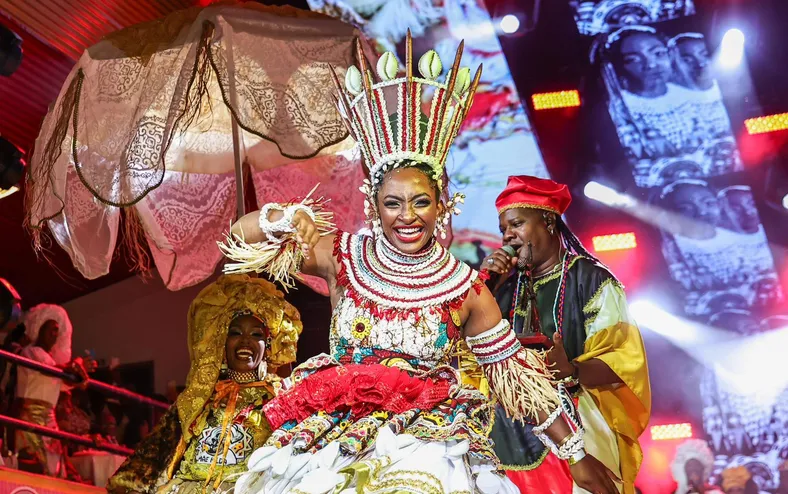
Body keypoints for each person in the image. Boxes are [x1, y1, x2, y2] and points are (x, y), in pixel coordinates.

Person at [221, 34, 619, 494]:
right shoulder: (343, 256)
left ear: (442, 206)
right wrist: (287, 217)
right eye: (393, 203)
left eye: (420, 201)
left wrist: (577, 456)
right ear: (373, 206)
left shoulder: (464, 287)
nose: (407, 216)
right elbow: (236, 239)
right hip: (330, 438)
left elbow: (517, 376)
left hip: (425, 443)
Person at [479, 176, 651, 493]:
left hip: (579, 422)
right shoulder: (501, 289)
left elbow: (623, 363)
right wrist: (485, 288)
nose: (508, 236)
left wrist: (572, 370)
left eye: (516, 224)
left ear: (548, 220)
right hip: (506, 432)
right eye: (503, 228)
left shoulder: (591, 279)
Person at [107, 274, 301, 493]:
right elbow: (148, 460)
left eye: (256, 334)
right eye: (235, 333)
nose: (245, 340)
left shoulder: (281, 398)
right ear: (222, 342)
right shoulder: (199, 399)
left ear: (268, 345)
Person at [14, 304, 91, 477]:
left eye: (57, 330)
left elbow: (64, 382)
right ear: (39, 328)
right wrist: (75, 367)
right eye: (50, 329)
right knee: (34, 469)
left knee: (54, 471)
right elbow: (51, 370)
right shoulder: (31, 352)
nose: (54, 334)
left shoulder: (51, 359)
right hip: (30, 419)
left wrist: (79, 374)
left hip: (49, 420)